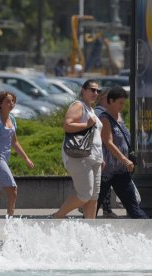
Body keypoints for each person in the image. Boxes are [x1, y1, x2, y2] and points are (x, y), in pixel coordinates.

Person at [52, 80, 103, 219]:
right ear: (83, 90)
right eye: (92, 90)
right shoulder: (78, 105)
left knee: (93, 198)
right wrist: (87, 124)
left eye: (98, 91)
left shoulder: (91, 109)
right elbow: (67, 125)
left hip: (95, 157)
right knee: (85, 194)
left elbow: (96, 136)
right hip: (79, 155)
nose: (95, 93)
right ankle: (57, 216)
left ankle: (90, 230)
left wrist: (101, 158)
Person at [97, 86, 147, 219]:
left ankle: (149, 235)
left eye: (123, 103)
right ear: (111, 101)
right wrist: (124, 159)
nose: (122, 106)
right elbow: (108, 142)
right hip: (106, 171)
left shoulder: (119, 117)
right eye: (120, 102)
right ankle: (81, 234)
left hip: (120, 171)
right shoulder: (104, 118)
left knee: (134, 208)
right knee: (93, 207)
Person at [94, 88, 119, 218]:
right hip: (103, 151)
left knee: (104, 181)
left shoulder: (98, 111)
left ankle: (100, 208)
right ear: (105, 99)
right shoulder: (101, 113)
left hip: (102, 151)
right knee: (104, 181)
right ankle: (103, 209)